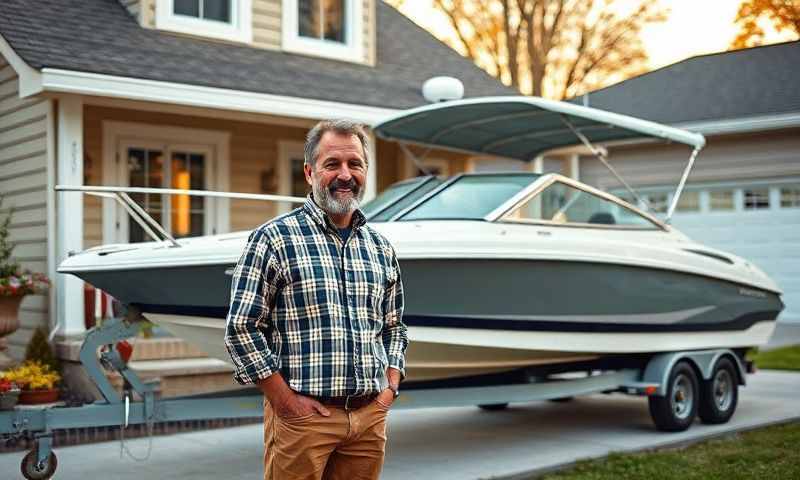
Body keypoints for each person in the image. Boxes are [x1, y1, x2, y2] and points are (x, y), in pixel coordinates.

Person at [224, 119, 408, 480]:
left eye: (354, 164)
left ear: (365, 171)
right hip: (303, 420)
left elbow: (393, 326)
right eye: (332, 164)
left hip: (369, 418)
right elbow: (242, 328)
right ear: (309, 172)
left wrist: (390, 386)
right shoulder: (273, 240)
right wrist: (284, 402)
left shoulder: (380, 247)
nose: (345, 174)